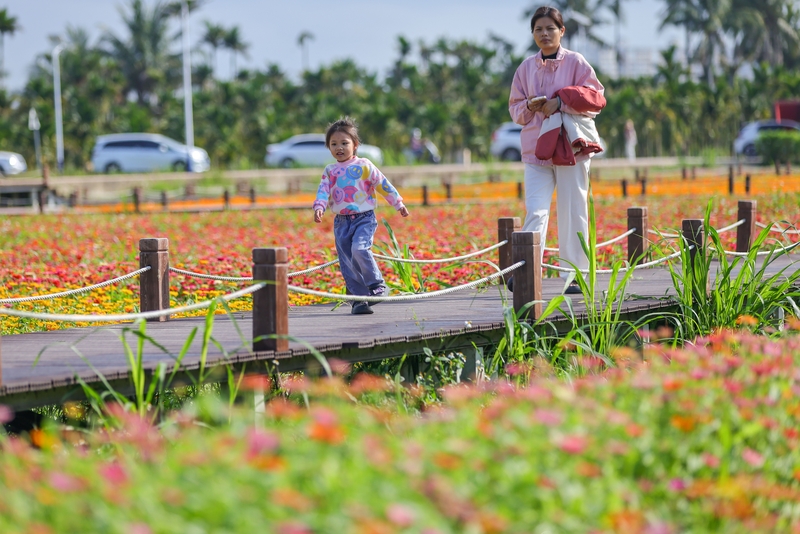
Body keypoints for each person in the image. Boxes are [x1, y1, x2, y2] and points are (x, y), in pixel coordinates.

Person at [507, 5, 605, 295]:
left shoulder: (576, 62)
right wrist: (529, 106)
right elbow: (514, 110)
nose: (544, 33)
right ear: (532, 34)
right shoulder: (525, 68)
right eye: (538, 29)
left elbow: (597, 98)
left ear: (562, 31)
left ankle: (575, 277)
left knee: (574, 210)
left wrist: (560, 102)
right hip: (537, 151)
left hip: (571, 149)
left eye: (550, 28)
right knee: (535, 211)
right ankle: (525, 272)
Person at [313, 117, 410, 315]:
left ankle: (377, 285)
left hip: (364, 218)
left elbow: (383, 184)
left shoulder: (365, 165)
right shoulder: (330, 171)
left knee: (359, 249)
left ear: (355, 145)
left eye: (344, 143)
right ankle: (358, 300)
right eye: (334, 144)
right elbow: (323, 191)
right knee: (347, 261)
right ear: (329, 147)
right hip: (341, 222)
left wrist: (398, 203)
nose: (339, 148)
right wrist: (319, 206)